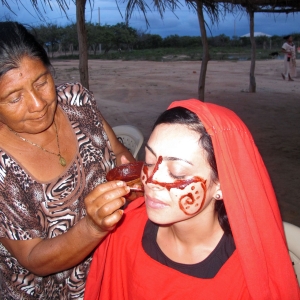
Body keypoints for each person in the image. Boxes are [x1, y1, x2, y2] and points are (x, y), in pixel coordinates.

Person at [85, 99, 300, 299]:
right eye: (149, 162)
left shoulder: (249, 275)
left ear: (223, 184)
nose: (151, 181)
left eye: (177, 173)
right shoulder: (124, 234)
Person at [0, 22, 135, 299]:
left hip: (112, 271)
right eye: (14, 98)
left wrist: (133, 177)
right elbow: (34, 258)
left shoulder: (76, 101)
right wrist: (93, 227)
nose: (38, 104)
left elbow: (119, 152)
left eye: (41, 82)